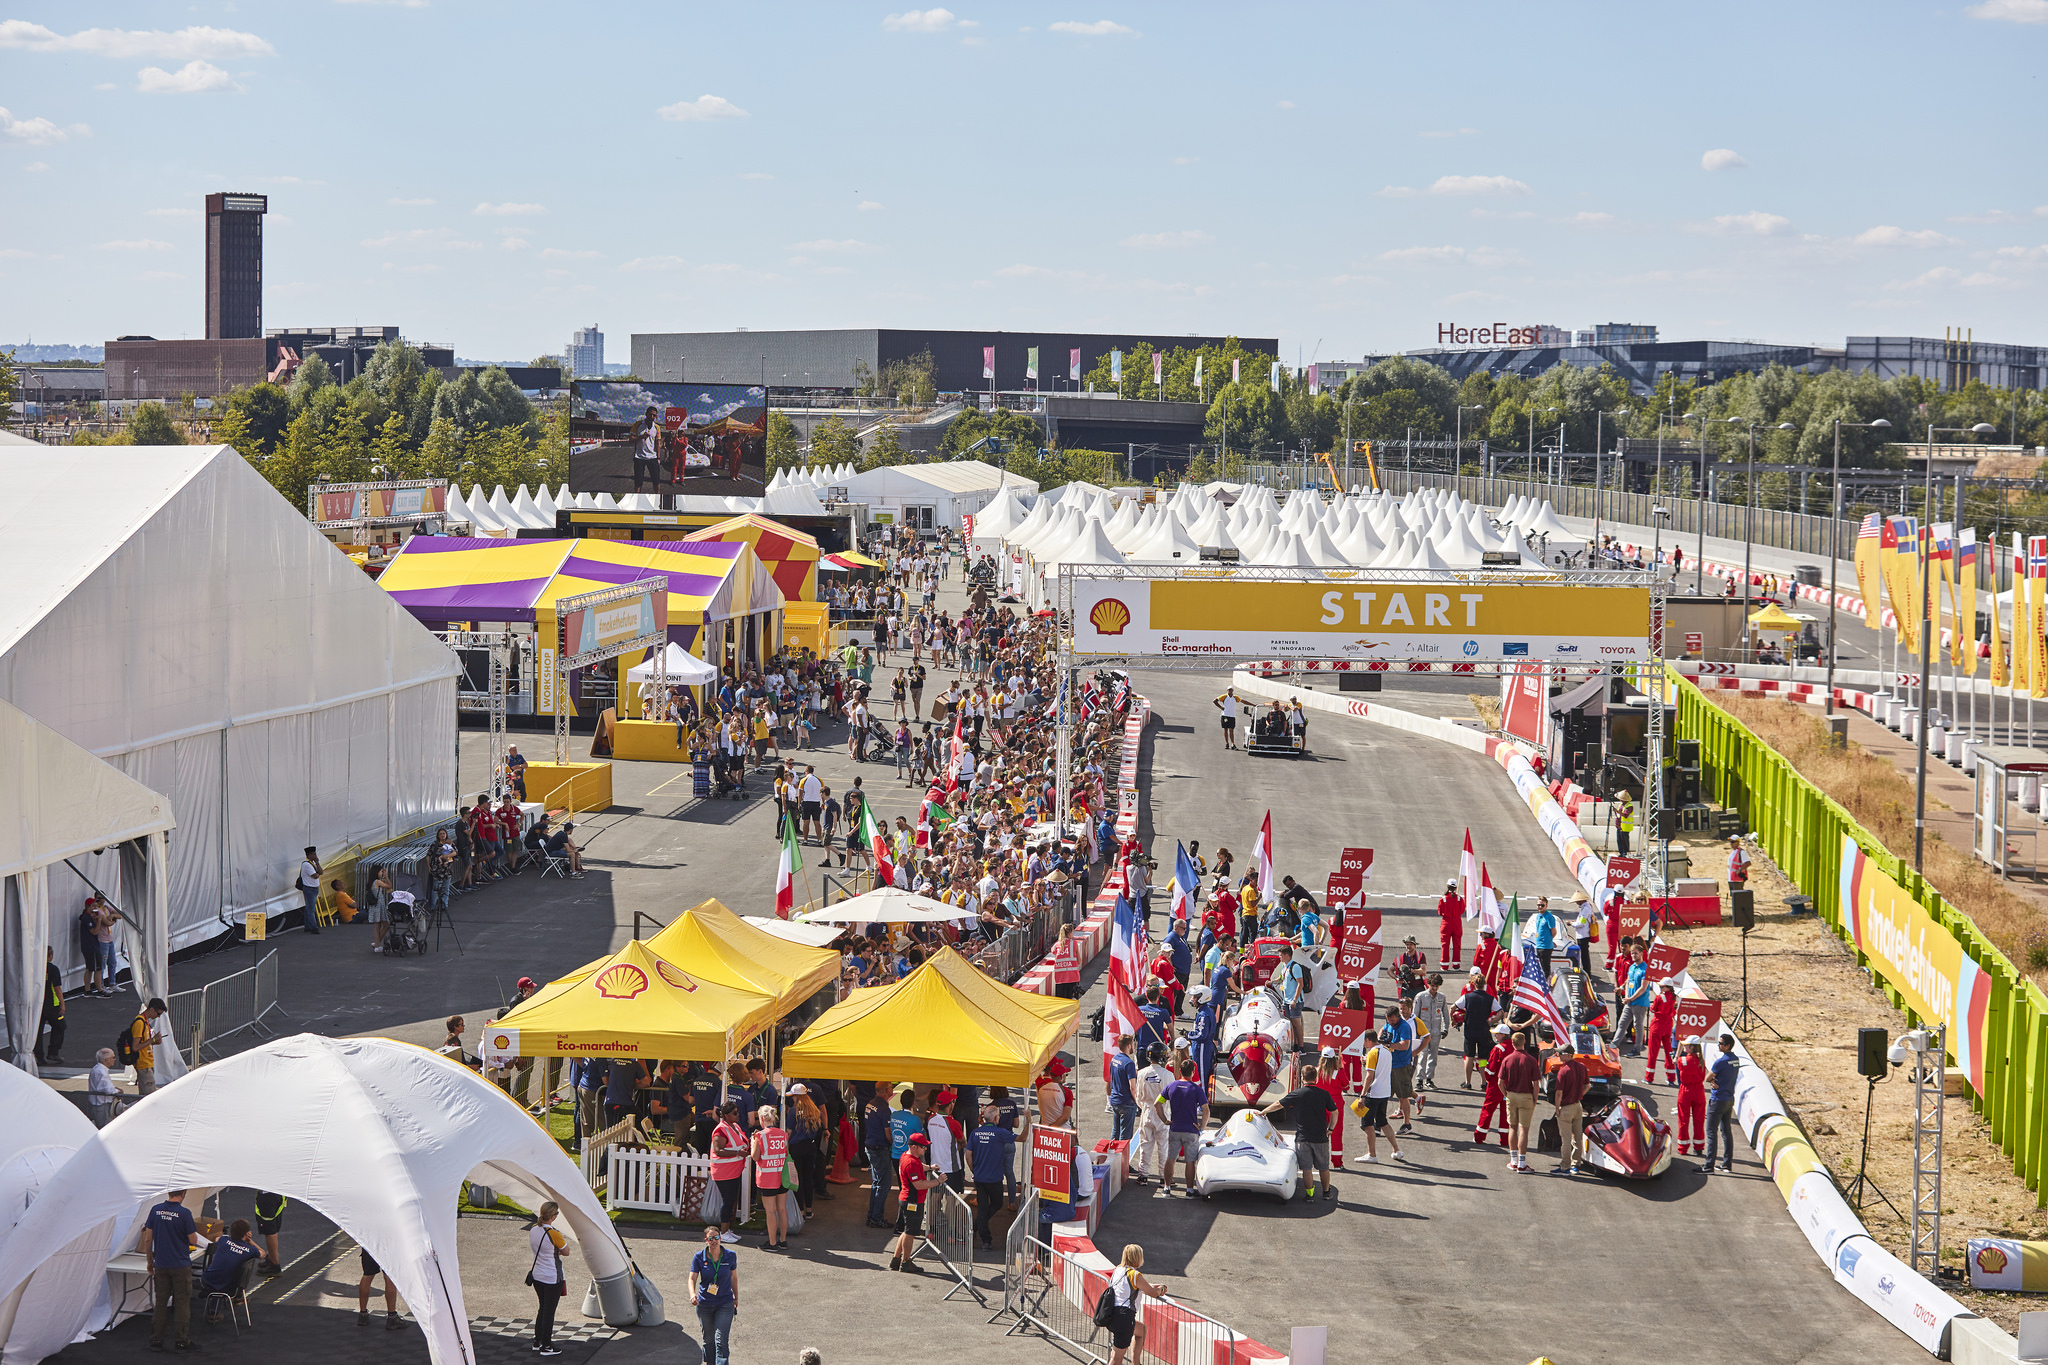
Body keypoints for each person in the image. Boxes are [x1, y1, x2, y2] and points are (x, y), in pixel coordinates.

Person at [1263, 1055, 1341, 1201]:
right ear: (1316, 1078)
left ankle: (1310, 1195)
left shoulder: (1296, 1094)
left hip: (1303, 1138)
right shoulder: (1324, 1094)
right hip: (1321, 1137)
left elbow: (1278, 1104)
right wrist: (1330, 1129)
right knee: (1324, 1167)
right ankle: (1326, 1192)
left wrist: (1263, 1112)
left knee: (1307, 1168)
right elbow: (1334, 1112)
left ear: (1302, 1078)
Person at [140, 1187, 200, 1351]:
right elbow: (193, 1240)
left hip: (161, 1264)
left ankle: (156, 1339)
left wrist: (150, 1261)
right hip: (180, 1264)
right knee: (182, 1303)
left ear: (168, 1193)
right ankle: (181, 1340)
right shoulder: (185, 1213)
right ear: (183, 1194)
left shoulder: (155, 1210)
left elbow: (148, 1239)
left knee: (160, 1302)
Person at [1103, 1245, 1170, 1365]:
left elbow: (1134, 1286)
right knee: (1116, 1359)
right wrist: (1160, 1290)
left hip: (1112, 1315)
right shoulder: (1135, 1275)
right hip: (1124, 1318)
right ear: (1138, 1258)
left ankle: (1136, 1363)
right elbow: (1152, 1293)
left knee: (1141, 1330)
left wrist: (1153, 1285)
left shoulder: (1119, 1269)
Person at [891, 1132, 944, 1273]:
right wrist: (938, 1181)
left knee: (906, 1231)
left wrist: (930, 1168)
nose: (925, 1149)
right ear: (914, 1147)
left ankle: (896, 1259)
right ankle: (906, 1261)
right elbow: (919, 1184)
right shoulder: (911, 1163)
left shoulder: (906, 1156)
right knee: (910, 1233)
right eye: (923, 1147)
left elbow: (920, 1166)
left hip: (905, 1199)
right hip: (912, 1201)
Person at [967, 1104, 1016, 1248]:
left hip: (980, 1178)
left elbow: (968, 1155)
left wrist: (973, 1170)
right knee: (997, 1203)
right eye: (999, 1115)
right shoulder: (1000, 1133)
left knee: (982, 1208)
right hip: (994, 1179)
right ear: (995, 1118)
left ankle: (980, 1230)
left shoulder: (975, 1133)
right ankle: (984, 1236)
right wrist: (1028, 1119)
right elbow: (1023, 1137)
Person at [690, 1224, 739, 1365]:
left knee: (721, 1340)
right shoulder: (699, 1257)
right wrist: (692, 1294)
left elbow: (733, 1278)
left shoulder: (730, 1256)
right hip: (705, 1304)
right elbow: (692, 1278)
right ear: (706, 1240)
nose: (714, 1241)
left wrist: (736, 1296)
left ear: (720, 1238)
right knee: (708, 1340)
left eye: (716, 1237)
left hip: (725, 1303)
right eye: (710, 1238)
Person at [1355, 1033, 1406, 1164]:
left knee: (1367, 1124)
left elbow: (1369, 1076)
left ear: (1368, 1040)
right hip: (1384, 1092)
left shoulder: (1372, 1054)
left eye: (1364, 1042)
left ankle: (1372, 1154)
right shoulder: (1387, 1051)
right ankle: (1396, 1150)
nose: (1364, 1044)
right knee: (1382, 1121)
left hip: (1373, 1093)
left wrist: (1362, 1095)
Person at [200, 1219, 263, 1323]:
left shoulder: (224, 1241)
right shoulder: (250, 1250)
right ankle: (237, 1298)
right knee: (228, 1275)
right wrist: (250, 1241)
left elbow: (217, 1238)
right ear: (247, 1233)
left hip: (208, 1280)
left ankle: (213, 1311)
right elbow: (262, 1253)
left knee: (220, 1273)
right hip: (229, 1286)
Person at [1158, 1063, 1207, 1195]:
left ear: (1179, 1071)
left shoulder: (1171, 1086)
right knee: (1190, 1162)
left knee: (1171, 1159)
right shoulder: (1197, 1089)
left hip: (1175, 1128)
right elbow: (1206, 1110)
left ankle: (1166, 1188)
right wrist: (1201, 1128)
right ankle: (1189, 1190)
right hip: (1191, 1130)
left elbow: (1157, 1104)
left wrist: (1165, 1120)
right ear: (1193, 1072)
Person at [1498, 1030, 1541, 1173]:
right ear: (1524, 1043)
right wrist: (1534, 1099)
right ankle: (1522, 1163)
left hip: (1511, 1096)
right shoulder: (1531, 1060)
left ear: (1512, 1043)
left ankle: (1513, 1160)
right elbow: (1536, 1084)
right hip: (1526, 1096)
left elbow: (1500, 1082)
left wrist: (1506, 1094)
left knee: (1513, 1128)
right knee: (1524, 1130)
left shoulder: (1508, 1059)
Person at [1130, 1045, 1173, 1184]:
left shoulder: (1142, 1073)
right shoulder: (1168, 1075)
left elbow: (1138, 1096)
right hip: (1163, 1113)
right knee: (1163, 1147)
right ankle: (1163, 1176)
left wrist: (1145, 1108)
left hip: (1147, 1111)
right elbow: (1171, 1097)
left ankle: (1143, 1175)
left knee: (1145, 1145)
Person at [708, 1102, 749, 1243]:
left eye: (738, 1112)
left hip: (733, 1170)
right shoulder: (720, 1130)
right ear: (726, 1116)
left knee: (731, 1201)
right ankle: (724, 1232)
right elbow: (718, 1150)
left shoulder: (735, 1126)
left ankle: (727, 1230)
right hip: (724, 1172)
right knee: (728, 1201)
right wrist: (738, 1152)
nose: (738, 1115)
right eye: (735, 1113)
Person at [751, 1106, 790, 1250]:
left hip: (767, 1177)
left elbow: (755, 1157)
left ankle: (772, 1243)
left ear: (761, 1118)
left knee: (770, 1211)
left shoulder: (760, 1136)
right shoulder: (783, 1134)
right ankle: (783, 1240)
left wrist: (752, 1143)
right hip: (782, 1176)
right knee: (782, 1209)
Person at [1704, 1033, 1740, 1173]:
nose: (1718, 1045)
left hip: (1717, 1100)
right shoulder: (1735, 1060)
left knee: (1711, 1132)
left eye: (1720, 1043)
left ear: (1727, 1045)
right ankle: (1726, 1164)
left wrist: (1712, 1081)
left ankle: (1708, 1165)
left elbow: (1708, 1077)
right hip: (1729, 1099)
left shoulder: (1721, 1062)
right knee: (1726, 1132)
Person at [1550, 1045, 1589, 1175]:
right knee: (1577, 1137)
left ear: (1568, 1055)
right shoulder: (1582, 1067)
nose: (1559, 1056)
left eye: (1561, 1054)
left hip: (1566, 1108)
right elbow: (1587, 1085)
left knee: (1565, 1140)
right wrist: (1580, 1095)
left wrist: (1557, 1108)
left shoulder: (1563, 1071)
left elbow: (1558, 1093)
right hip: (1578, 1106)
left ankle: (1565, 1167)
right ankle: (1576, 1165)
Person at [1457, 970, 1494, 1090]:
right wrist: (1491, 1022)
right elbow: (1500, 1012)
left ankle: (1468, 1082)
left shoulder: (1467, 997)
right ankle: (1484, 1082)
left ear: (1473, 983)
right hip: (1484, 1031)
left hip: (1470, 1030)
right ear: (1484, 984)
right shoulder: (1490, 998)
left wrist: (1455, 1020)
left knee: (1469, 1057)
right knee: (1483, 1058)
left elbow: (1454, 1007)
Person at [1413, 974, 1449, 1092]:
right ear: (1429, 984)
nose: (1434, 988)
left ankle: (1429, 1079)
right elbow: (1415, 1015)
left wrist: (1446, 1028)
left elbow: (1445, 1014)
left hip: (1436, 1032)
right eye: (1433, 985)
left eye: (1437, 986)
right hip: (1423, 1033)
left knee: (1433, 1055)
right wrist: (1415, 1031)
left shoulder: (1442, 997)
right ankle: (1419, 1080)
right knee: (1422, 1055)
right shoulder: (1421, 996)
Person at [356, 1243, 401, 1331]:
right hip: (386, 1244)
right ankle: (392, 1316)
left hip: (368, 1242)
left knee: (367, 1275)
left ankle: (363, 1314)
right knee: (389, 1277)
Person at [1675, 1037, 1708, 1156]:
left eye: (1686, 1045)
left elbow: (1677, 1063)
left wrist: (1676, 1055)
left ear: (1692, 1047)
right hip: (1699, 1091)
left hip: (1685, 1091)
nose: (1684, 1047)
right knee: (1699, 1120)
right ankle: (1699, 1147)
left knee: (1683, 1120)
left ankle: (1683, 1148)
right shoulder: (1701, 1060)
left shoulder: (1682, 1060)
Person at [129, 998, 167, 1098]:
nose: (158, 1017)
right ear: (152, 1009)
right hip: (143, 1064)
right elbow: (135, 1047)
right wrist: (152, 1040)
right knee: (149, 1097)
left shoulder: (144, 1022)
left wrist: (153, 1042)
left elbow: (143, 1043)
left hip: (146, 1063)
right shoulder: (139, 1023)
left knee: (145, 1095)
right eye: (158, 1013)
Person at [1185, 985, 1218, 1099]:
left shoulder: (1204, 1014)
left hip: (1202, 1047)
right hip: (1202, 1046)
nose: (1192, 999)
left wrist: (1189, 1035)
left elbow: (1201, 1035)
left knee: (1201, 1075)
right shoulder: (1205, 1011)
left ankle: (1202, 1103)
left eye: (1195, 997)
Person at [33, 945, 64, 1067]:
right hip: (52, 1005)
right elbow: (57, 988)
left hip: (37, 1005)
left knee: (38, 1031)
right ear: (50, 956)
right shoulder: (53, 969)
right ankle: (53, 1052)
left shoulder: (35, 968)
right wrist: (62, 1004)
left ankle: (38, 1056)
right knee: (60, 1026)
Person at [1108, 1034, 1140, 1142]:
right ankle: (1122, 1157)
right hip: (1126, 1102)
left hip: (1115, 1099)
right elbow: (1133, 1087)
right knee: (1125, 1137)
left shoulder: (1114, 1059)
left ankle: (1112, 1154)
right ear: (1129, 1046)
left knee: (1115, 1131)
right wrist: (1137, 1102)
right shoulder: (1129, 1063)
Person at [1646, 981, 1679, 1084]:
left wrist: (1652, 1007)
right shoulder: (1674, 998)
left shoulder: (1659, 997)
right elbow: (1674, 1011)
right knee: (1669, 1052)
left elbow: (1653, 1009)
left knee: (1653, 1052)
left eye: (1661, 986)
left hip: (1657, 1026)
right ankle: (1671, 1078)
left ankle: (1649, 1078)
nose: (1660, 988)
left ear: (1667, 987)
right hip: (1668, 1026)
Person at [86, 1047, 123, 1127]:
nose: (115, 1059)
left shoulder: (96, 1069)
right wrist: (118, 1091)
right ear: (107, 1059)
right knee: (104, 1126)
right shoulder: (102, 1072)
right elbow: (108, 1090)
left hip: (98, 1104)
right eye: (113, 1057)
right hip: (102, 1105)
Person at [1436, 878, 1464, 969]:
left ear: (1447, 886)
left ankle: (1444, 965)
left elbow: (1440, 912)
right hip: (1457, 923)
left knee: (1445, 945)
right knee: (1457, 945)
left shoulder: (1443, 898)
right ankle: (1456, 964)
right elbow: (1462, 910)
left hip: (1446, 923)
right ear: (1456, 887)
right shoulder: (1459, 898)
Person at [296, 845, 323, 934]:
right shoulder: (306, 864)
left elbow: (321, 872)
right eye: (314, 854)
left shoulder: (313, 863)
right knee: (311, 909)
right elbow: (315, 876)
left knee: (309, 908)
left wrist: (317, 863)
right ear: (309, 855)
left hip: (313, 888)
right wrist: (317, 873)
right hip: (309, 888)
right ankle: (313, 927)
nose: (315, 856)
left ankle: (307, 926)